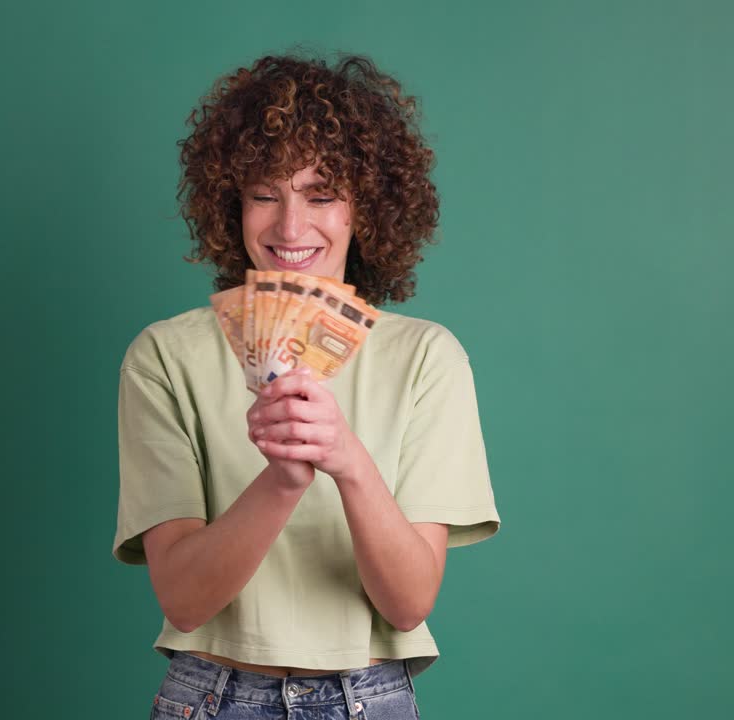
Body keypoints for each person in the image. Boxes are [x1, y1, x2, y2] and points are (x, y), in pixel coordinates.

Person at [113, 51, 502, 719]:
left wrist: (346, 461)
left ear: (368, 207)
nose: (291, 228)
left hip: (367, 696)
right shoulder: (165, 356)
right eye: (265, 194)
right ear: (231, 202)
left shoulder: (427, 358)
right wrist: (283, 480)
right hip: (210, 696)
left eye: (321, 194)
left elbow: (410, 602)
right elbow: (182, 599)